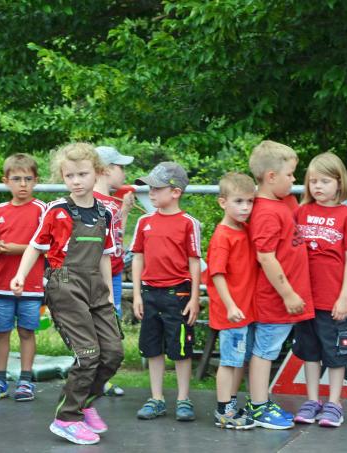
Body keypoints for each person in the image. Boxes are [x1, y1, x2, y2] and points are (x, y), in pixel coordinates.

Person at [11, 142, 124, 445]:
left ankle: (84, 402)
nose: (76, 181)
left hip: (97, 289)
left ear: (97, 174)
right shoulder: (56, 211)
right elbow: (36, 246)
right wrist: (21, 275)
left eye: (82, 174)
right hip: (64, 285)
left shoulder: (105, 213)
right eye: (69, 175)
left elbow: (104, 255)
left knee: (113, 353)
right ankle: (66, 418)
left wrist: (110, 296)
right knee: (88, 354)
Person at [291, 152, 347, 428]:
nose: (317, 187)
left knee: (336, 354)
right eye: (312, 181)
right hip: (304, 299)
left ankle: (334, 403)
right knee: (309, 351)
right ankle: (312, 400)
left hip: (333, 299)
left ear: (339, 182)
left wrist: (344, 296)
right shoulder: (300, 213)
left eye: (324, 181)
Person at [245, 140, 314, 429]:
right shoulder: (265, 212)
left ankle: (260, 401)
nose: (294, 180)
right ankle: (258, 406)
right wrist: (288, 294)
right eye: (290, 174)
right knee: (265, 351)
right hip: (275, 299)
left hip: (286, 296)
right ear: (271, 177)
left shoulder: (283, 202)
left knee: (269, 349)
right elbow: (265, 256)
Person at [131, 162, 202, 422]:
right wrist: (137, 294)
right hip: (150, 294)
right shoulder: (144, 222)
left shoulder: (188, 223)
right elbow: (137, 257)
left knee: (181, 348)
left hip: (178, 296)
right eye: (149, 188)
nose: (150, 193)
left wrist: (195, 298)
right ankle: (157, 398)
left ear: (175, 192)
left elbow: (195, 261)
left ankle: (184, 398)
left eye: (156, 188)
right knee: (152, 348)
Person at [0, 153, 47, 402]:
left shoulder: (42, 209)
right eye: (17, 179)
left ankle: (26, 380)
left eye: (27, 179)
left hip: (31, 286)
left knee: (27, 332)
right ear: (6, 181)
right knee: (1, 332)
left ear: (35, 181)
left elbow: (44, 245)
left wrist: (12, 247)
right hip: (1, 285)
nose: (22, 184)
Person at [205, 172, 257, 430]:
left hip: (244, 310)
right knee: (229, 361)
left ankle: (231, 405)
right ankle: (223, 410)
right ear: (222, 202)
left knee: (239, 361)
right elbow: (216, 274)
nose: (245, 207)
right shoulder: (223, 236)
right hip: (231, 313)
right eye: (239, 201)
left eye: (249, 201)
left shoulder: (245, 229)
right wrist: (231, 305)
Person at [93, 145, 136, 397]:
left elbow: (117, 238)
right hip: (100, 276)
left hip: (116, 272)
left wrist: (126, 211)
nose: (124, 173)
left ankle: (102, 378)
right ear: (107, 170)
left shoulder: (112, 202)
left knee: (109, 326)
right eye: (121, 167)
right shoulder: (97, 202)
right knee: (99, 325)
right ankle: (94, 377)